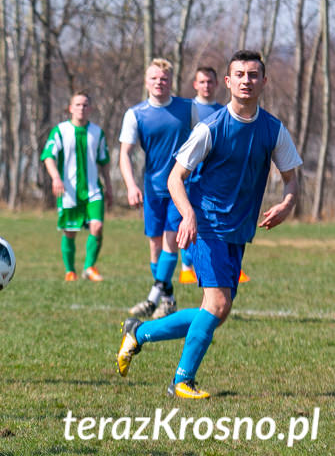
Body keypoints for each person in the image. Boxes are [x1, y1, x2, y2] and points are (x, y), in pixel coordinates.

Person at [116, 50, 301, 399]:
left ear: (264, 81)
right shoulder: (211, 127)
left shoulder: (273, 129)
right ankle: (181, 381)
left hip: (239, 229)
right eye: (240, 75)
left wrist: (287, 203)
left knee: (217, 310)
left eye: (253, 75)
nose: (247, 80)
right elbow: (175, 178)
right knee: (216, 304)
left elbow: (292, 178)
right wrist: (188, 215)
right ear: (228, 82)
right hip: (206, 224)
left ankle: (137, 333)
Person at [119, 58, 198, 319]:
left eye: (163, 79)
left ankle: (152, 299)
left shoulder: (188, 109)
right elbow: (124, 154)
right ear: (146, 81)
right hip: (152, 189)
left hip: (181, 188)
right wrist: (131, 185)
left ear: (171, 81)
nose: (159, 83)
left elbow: (204, 142)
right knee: (155, 246)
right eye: (154, 78)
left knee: (170, 243)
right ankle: (168, 299)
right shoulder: (136, 114)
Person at [180, 67, 251, 285]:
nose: (206, 86)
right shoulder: (188, 109)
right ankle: (186, 268)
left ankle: (230, 267)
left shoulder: (224, 111)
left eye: (210, 82)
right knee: (192, 221)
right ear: (195, 84)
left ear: (218, 84)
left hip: (217, 178)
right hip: (191, 174)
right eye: (202, 82)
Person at [41, 91, 112, 282]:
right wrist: (56, 178)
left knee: (97, 227)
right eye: (78, 105)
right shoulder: (60, 130)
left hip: (93, 190)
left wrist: (109, 186)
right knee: (70, 231)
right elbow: (48, 156)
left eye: (85, 105)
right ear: (70, 108)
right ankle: (70, 271)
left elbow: (103, 161)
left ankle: (89, 267)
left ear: (90, 108)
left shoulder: (97, 132)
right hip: (68, 191)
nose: (82, 108)